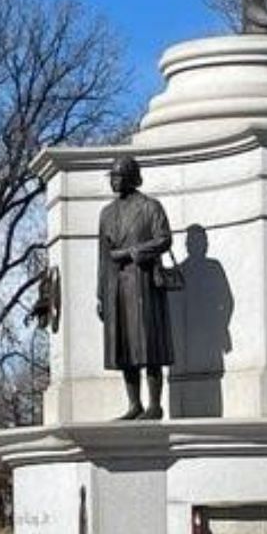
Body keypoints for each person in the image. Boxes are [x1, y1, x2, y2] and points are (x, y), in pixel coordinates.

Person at [96, 157, 175, 420]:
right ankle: (134, 404)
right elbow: (103, 255)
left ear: (132, 177)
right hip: (116, 284)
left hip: (143, 282)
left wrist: (133, 252)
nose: (114, 181)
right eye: (112, 177)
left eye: (119, 176)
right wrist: (100, 293)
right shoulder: (106, 213)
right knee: (124, 346)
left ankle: (155, 404)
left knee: (149, 345)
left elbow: (164, 239)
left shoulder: (150, 207)